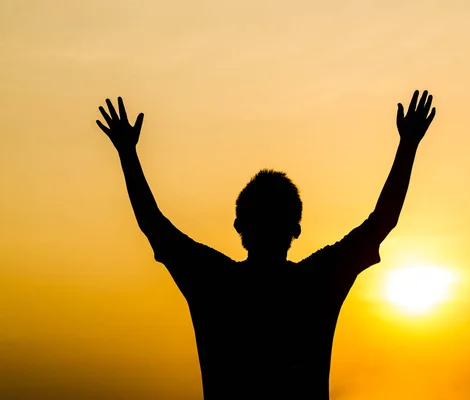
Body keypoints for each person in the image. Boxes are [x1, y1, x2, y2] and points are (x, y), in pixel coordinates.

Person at [95, 90, 436, 400]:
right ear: (296, 229)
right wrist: (408, 145)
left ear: (239, 226)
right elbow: (382, 222)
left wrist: (127, 153)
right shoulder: (316, 282)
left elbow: (153, 225)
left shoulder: (215, 281)